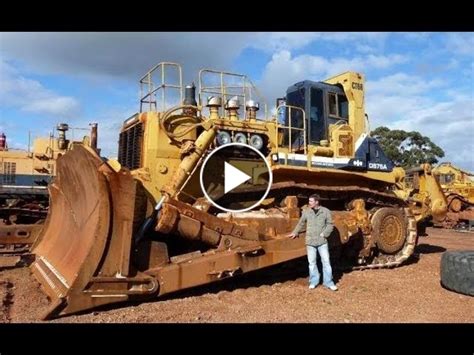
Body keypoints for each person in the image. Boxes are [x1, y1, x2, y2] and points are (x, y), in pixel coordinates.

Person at [289, 194, 338, 291]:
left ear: (317, 202)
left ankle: (328, 282)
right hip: (310, 241)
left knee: (326, 262)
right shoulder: (307, 212)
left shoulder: (325, 211)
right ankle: (313, 281)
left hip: (322, 241)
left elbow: (330, 224)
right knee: (312, 263)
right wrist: (295, 232)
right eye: (309, 201)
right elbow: (301, 223)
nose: (309, 203)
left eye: (311, 201)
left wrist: (324, 234)